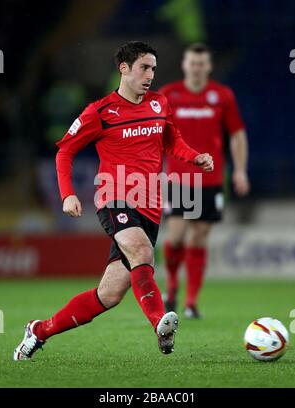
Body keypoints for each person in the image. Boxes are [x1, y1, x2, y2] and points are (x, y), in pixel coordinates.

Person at [14, 41, 213, 360]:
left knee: (108, 295)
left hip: (149, 207)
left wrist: (194, 157)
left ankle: (39, 330)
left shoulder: (160, 104)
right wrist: (67, 194)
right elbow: (65, 150)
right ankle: (159, 324)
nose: (150, 75)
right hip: (115, 197)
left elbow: (172, 141)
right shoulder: (100, 112)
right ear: (124, 68)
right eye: (144, 68)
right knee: (142, 249)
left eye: (153, 69)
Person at [159, 43, 249, 318]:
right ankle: (172, 288)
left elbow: (237, 134)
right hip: (178, 178)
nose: (196, 68)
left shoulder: (222, 96)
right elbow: (155, 134)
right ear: (185, 65)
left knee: (199, 237)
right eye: (192, 63)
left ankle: (191, 302)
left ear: (208, 67)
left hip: (210, 180)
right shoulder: (168, 94)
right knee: (175, 238)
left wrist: (240, 170)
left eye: (201, 64)